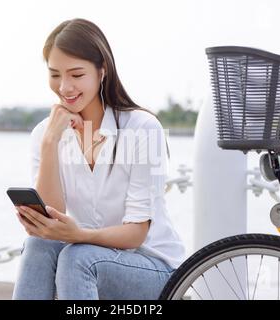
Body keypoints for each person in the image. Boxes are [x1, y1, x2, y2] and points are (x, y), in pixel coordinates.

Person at [12, 18, 185, 300]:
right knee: (38, 246)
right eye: (55, 74)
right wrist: (49, 144)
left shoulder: (142, 128)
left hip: (154, 268)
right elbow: (51, 215)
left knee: (78, 258)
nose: (65, 87)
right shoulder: (45, 133)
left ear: (101, 71)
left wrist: (78, 235)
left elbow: (136, 234)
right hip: (87, 257)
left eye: (76, 75)